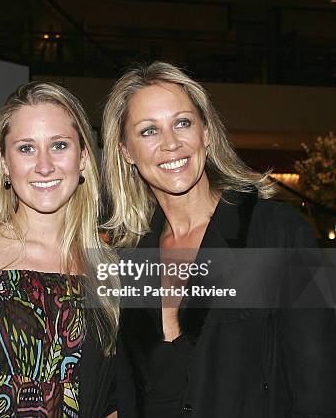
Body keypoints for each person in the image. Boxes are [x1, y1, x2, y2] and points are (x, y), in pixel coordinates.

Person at [101, 62, 336, 417]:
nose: (171, 143)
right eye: (148, 131)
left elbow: (318, 388)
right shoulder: (129, 255)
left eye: (183, 123)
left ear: (206, 133)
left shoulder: (279, 230)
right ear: (126, 151)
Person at [0, 82, 119, 417]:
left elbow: (115, 398)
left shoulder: (109, 269)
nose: (44, 166)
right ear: (4, 162)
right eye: (26, 148)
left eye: (59, 145)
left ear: (84, 158)